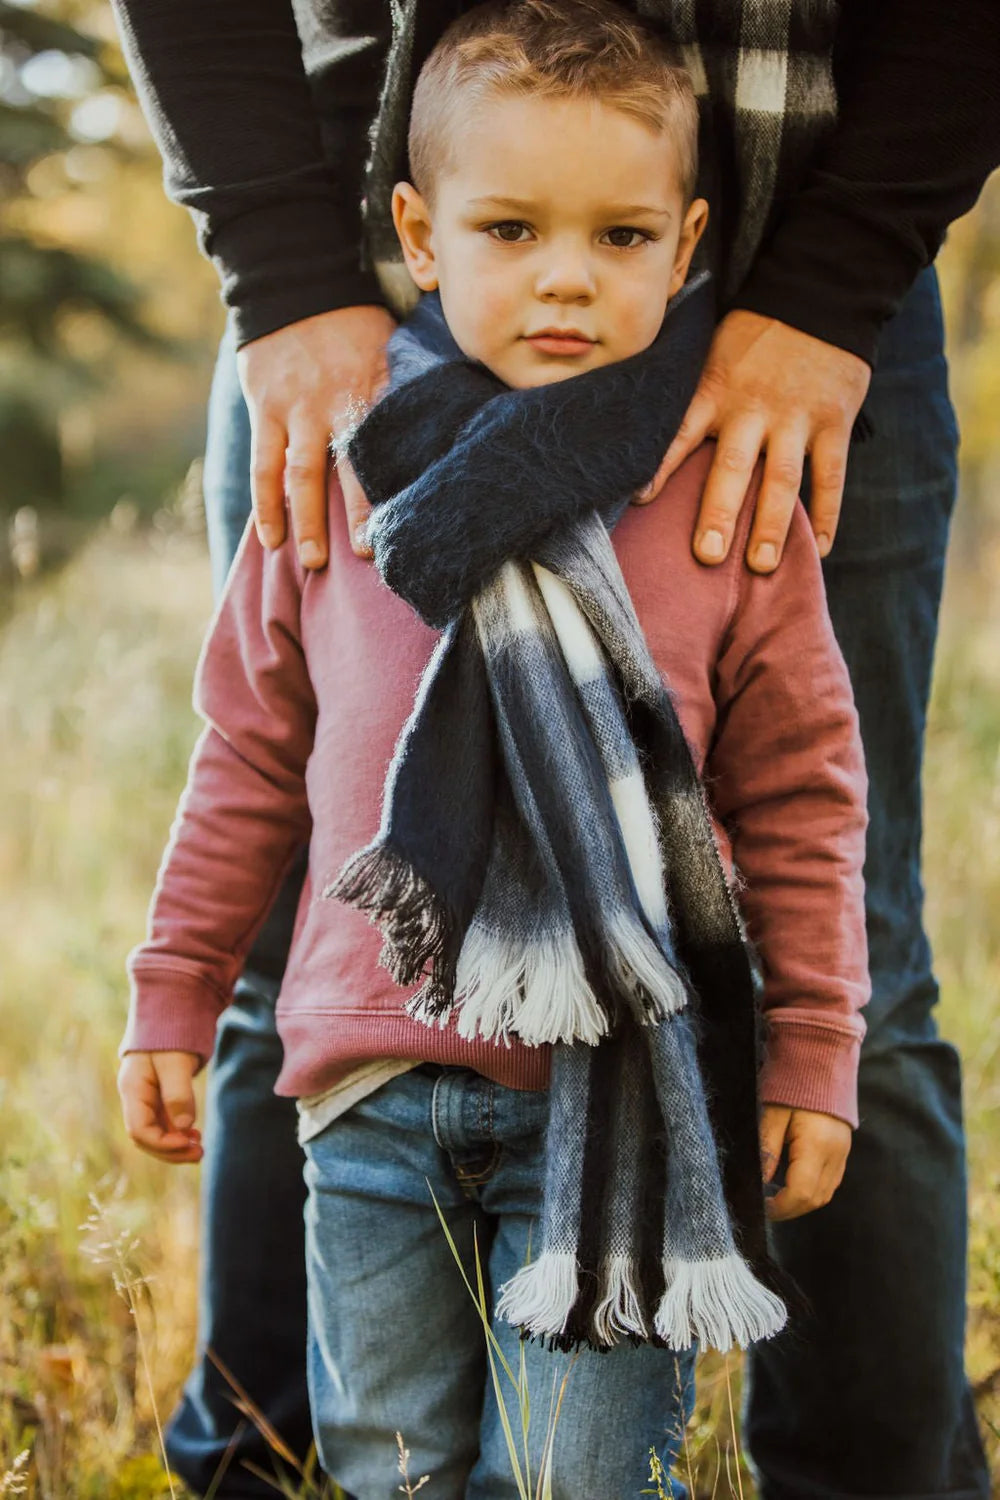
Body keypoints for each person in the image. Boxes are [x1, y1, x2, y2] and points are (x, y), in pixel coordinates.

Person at [109, 0, 1000, 1493]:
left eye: (615, 242)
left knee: (861, 964)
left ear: (678, 233)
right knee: (292, 968)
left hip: (811, 273)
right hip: (322, 273)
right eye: (520, 234)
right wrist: (276, 264)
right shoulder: (342, 493)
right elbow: (250, 762)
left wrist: (842, 280)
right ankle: (255, 1470)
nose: (568, 284)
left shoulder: (723, 518)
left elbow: (798, 796)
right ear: (435, 225)